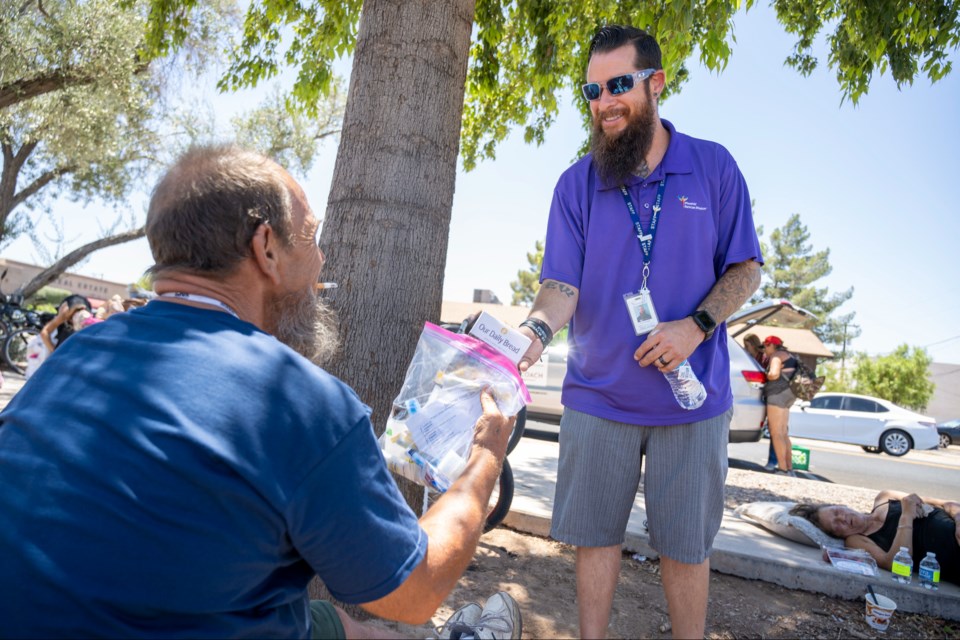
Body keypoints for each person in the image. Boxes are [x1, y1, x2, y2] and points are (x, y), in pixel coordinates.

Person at [0, 145, 521, 639]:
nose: (321, 263)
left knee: (327, 622)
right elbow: (415, 591)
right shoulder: (299, 399)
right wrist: (483, 460)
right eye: (312, 239)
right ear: (266, 248)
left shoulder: (74, 355)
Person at [515, 25, 762, 639]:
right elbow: (560, 288)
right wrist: (534, 333)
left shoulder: (713, 166)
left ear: (656, 84)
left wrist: (695, 327)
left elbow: (746, 268)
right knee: (593, 540)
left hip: (693, 401)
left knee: (686, 548)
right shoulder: (576, 184)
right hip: (599, 397)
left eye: (619, 84)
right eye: (593, 90)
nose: (604, 101)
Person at [791, 490, 960, 584]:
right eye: (836, 524)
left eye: (837, 512)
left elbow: (948, 504)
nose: (842, 518)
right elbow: (895, 563)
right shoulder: (856, 540)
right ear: (838, 535)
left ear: (842, 505)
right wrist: (906, 516)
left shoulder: (885, 497)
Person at [762, 335, 798, 476]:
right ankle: (789, 468)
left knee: (776, 433)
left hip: (777, 394)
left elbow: (774, 374)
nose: (764, 349)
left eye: (765, 345)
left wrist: (768, 374)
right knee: (783, 432)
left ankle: (782, 469)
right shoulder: (789, 355)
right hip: (789, 395)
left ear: (772, 345)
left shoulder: (776, 355)